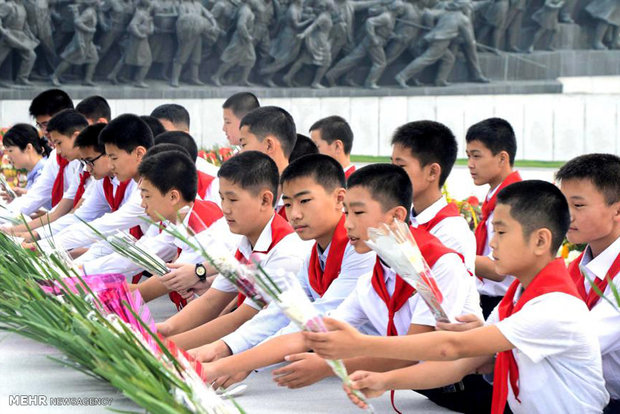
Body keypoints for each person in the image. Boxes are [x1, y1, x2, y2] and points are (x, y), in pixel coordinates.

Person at [305, 180, 609, 414]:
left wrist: (360, 345)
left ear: (540, 240)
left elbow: (452, 346)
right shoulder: (516, 299)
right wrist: (384, 381)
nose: (491, 242)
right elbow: (461, 363)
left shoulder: (554, 306)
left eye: (501, 232)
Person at [200, 164, 479, 395]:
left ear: (397, 216)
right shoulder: (375, 274)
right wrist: (220, 364)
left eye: (357, 213)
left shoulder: (439, 265)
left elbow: (409, 351)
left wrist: (327, 365)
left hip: (462, 392)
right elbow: (313, 330)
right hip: (408, 389)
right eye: (346, 213)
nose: (347, 224)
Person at [189, 155, 376, 388]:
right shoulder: (314, 253)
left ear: (340, 198)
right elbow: (282, 311)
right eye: (288, 204)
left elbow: (314, 323)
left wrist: (237, 362)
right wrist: (224, 348)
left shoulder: (361, 252)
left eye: (304, 201)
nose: (294, 214)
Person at [152, 151, 310, 348]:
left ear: (265, 200)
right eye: (222, 198)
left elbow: (240, 319)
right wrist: (165, 329)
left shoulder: (285, 252)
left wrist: (161, 346)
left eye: (232, 200)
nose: (225, 208)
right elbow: (212, 301)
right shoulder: (245, 243)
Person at [556, 154, 620, 412]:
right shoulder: (576, 267)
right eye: (563, 204)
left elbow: (580, 341)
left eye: (579, 206)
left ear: (617, 210)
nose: (567, 216)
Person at [36, 114, 153, 254]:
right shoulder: (106, 180)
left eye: (113, 157)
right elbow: (83, 220)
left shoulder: (148, 190)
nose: (110, 164)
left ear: (139, 153)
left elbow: (106, 226)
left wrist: (43, 246)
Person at [391, 121, 475, 273]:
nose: (391, 175)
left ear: (432, 172)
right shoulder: (405, 219)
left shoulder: (451, 233)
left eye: (401, 166)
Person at [466, 117, 521, 318]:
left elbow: (499, 269)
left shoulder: (513, 202)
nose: (470, 164)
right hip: (484, 298)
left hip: (499, 303)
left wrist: (448, 255)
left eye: (477, 156)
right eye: (468, 156)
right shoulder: (494, 198)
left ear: (502, 158)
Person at [6, 110, 89, 235]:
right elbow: (58, 212)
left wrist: (35, 236)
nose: (58, 151)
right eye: (40, 125)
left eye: (10, 151)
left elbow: (76, 216)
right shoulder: (81, 167)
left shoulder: (90, 167)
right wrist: (14, 231)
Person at [0, 124, 51, 202]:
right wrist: (17, 198)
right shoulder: (35, 172)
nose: (8, 157)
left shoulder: (46, 172)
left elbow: (44, 204)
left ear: (28, 148)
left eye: (10, 150)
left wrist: (25, 196)